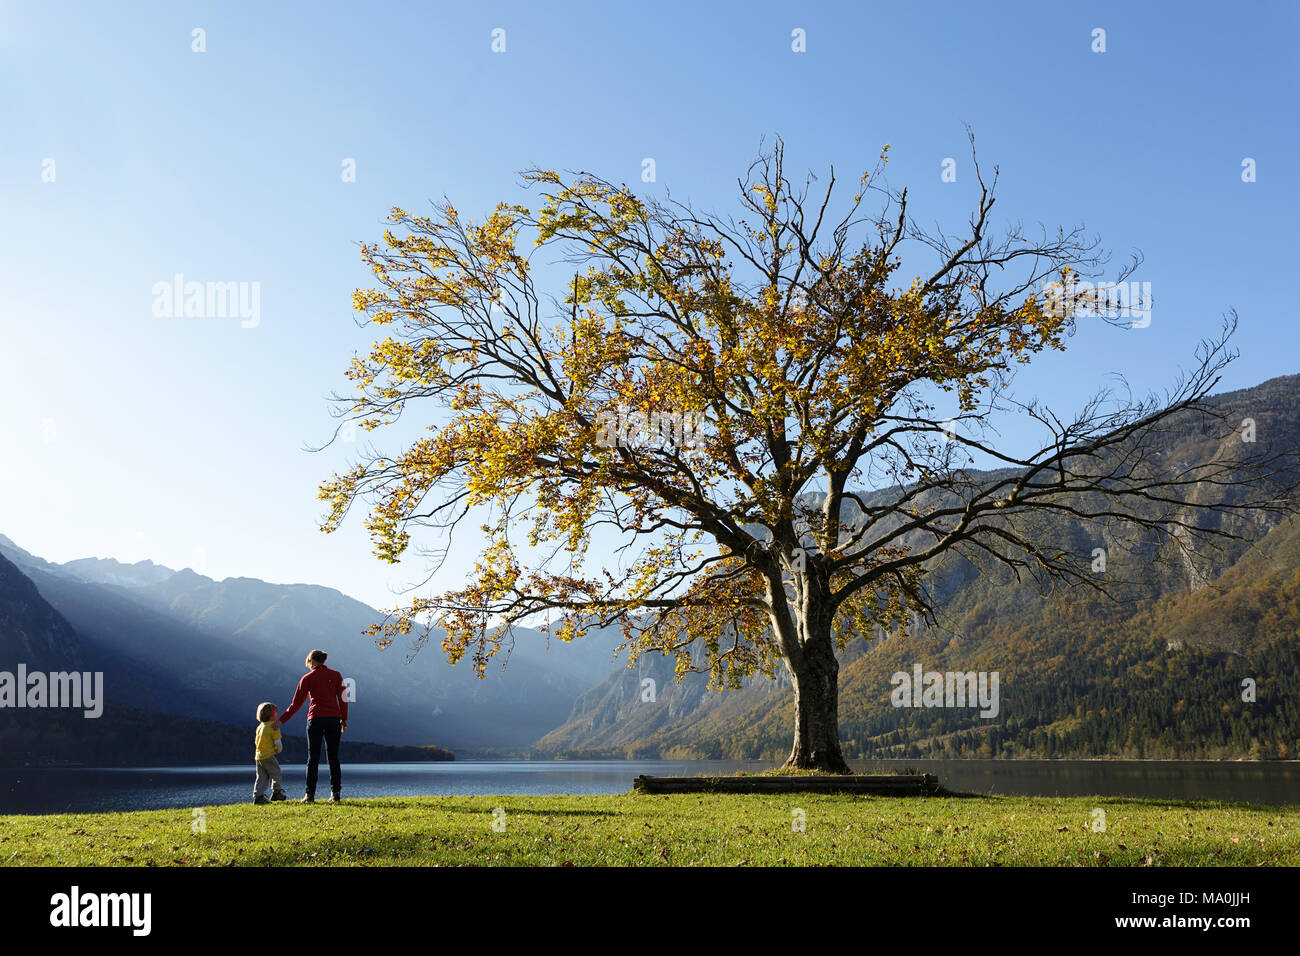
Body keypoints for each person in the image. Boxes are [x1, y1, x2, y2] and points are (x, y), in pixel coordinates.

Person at [279, 649, 349, 803]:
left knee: (313, 758)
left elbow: (295, 704)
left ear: (311, 660)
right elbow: (343, 699)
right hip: (333, 720)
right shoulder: (336, 675)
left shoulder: (307, 678)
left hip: (315, 719)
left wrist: (280, 721)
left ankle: (309, 795)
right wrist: (344, 719)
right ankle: (335, 794)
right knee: (333, 758)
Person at [252, 702, 286, 804]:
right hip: (268, 755)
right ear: (272, 715)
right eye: (276, 713)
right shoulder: (273, 726)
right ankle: (276, 792)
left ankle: (258, 796)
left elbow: (256, 741)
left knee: (261, 776)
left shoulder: (260, 727)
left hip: (259, 756)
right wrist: (278, 750)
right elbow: (278, 743)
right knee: (276, 773)